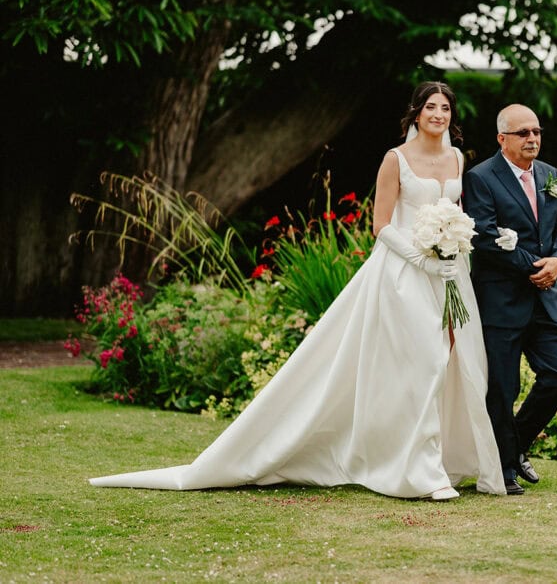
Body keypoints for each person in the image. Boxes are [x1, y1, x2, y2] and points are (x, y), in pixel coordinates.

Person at [89, 82, 505, 500]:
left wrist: (453, 249)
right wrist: (421, 259)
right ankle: (421, 472)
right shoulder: (395, 159)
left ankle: (450, 461)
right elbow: (381, 225)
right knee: (425, 363)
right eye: (430, 107)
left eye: (445, 108)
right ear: (416, 113)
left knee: (458, 360)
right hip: (404, 275)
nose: (439, 114)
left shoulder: (455, 158)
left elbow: (456, 215)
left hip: (451, 274)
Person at [463, 104, 557, 495]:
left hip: (546, 296)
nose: (532, 139)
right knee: (503, 387)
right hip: (502, 300)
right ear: (502, 139)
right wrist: (535, 266)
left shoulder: (550, 175)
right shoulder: (481, 178)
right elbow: (484, 237)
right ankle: (504, 467)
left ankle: (517, 444)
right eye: (523, 133)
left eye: (536, 132)